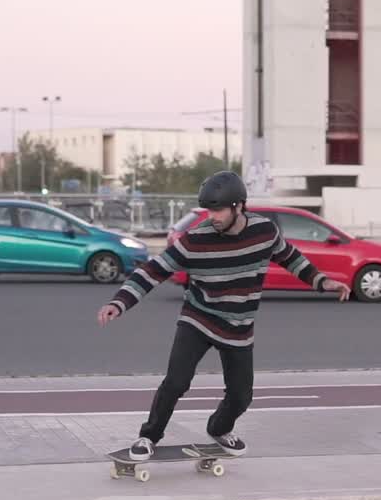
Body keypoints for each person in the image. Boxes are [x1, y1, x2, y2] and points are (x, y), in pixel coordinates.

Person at [97, 170, 351, 460]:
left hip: (239, 326)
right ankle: (148, 436)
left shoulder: (265, 232)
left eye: (217, 210)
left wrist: (322, 281)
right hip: (199, 318)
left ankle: (219, 429)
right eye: (208, 210)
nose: (212, 216)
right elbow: (155, 269)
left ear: (239, 206)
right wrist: (120, 301)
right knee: (176, 382)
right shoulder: (196, 239)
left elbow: (291, 258)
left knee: (242, 396)